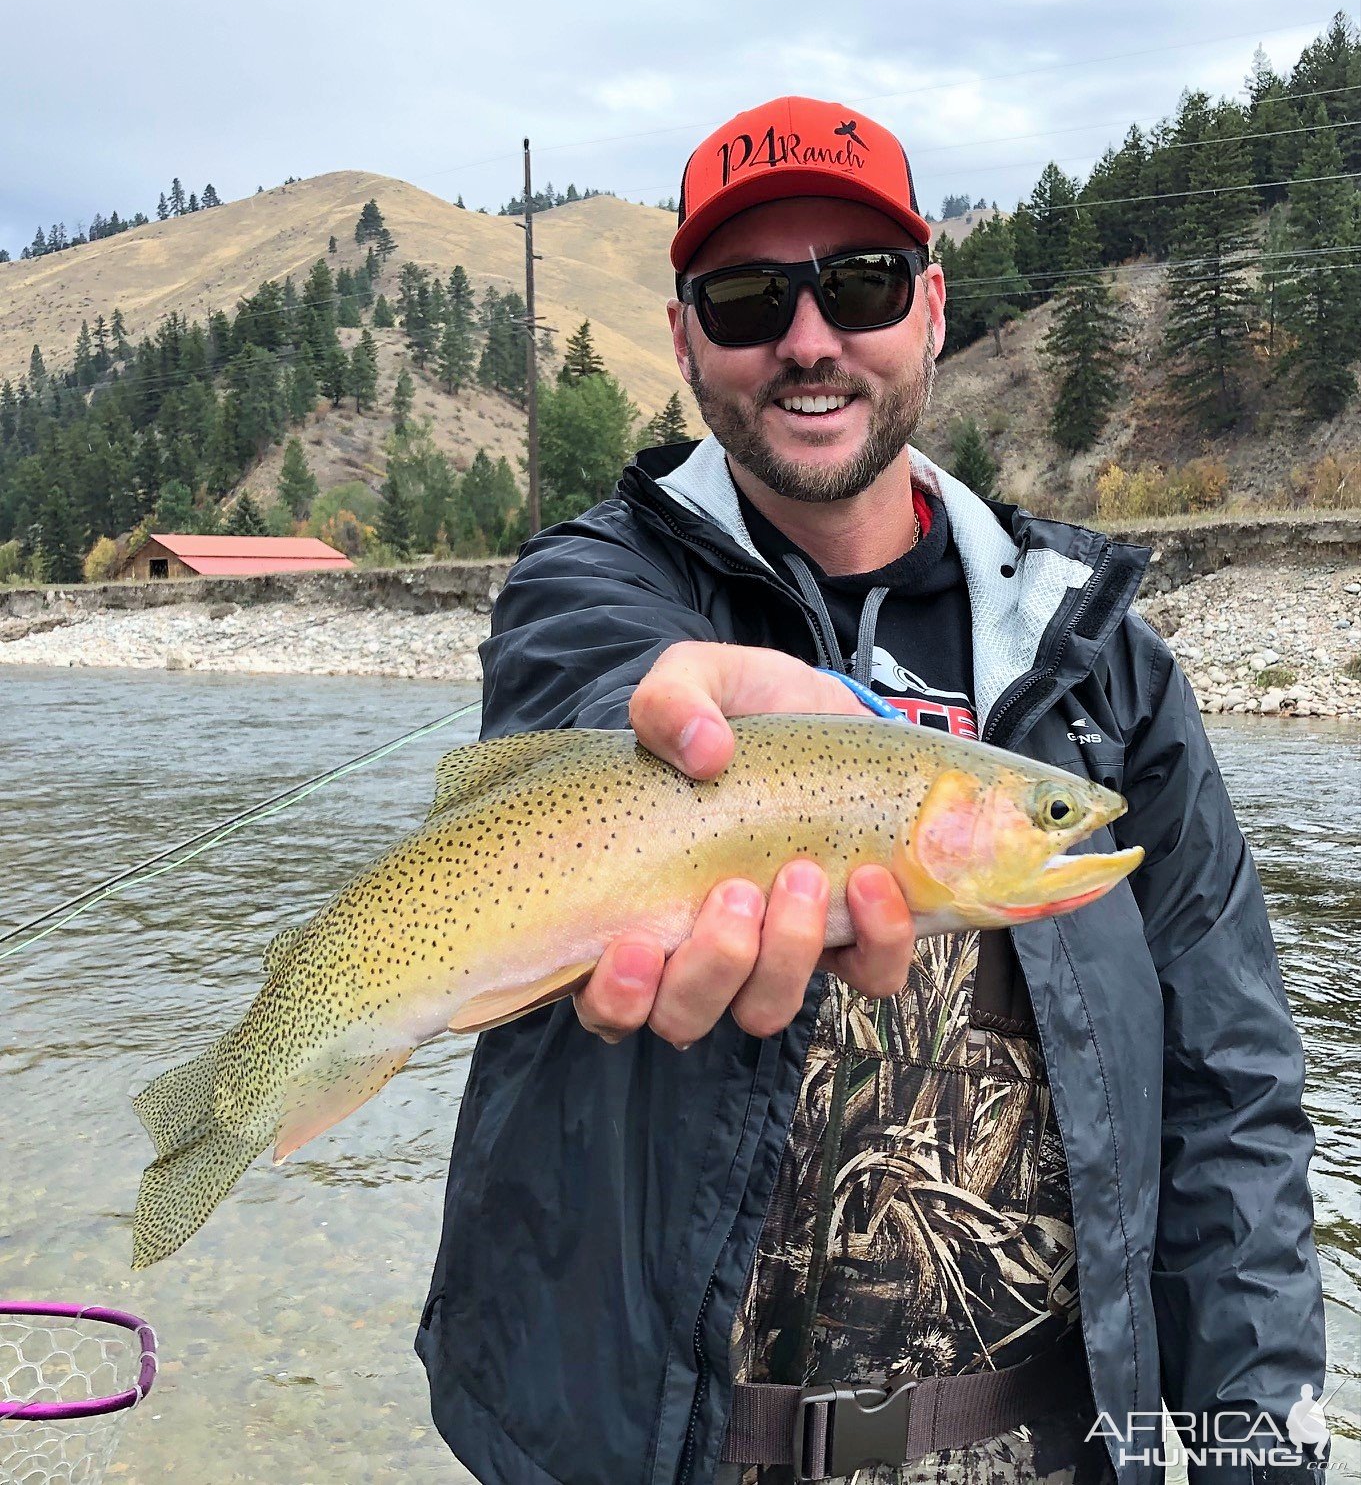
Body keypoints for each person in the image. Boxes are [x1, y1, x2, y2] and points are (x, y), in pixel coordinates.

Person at [416, 97, 1328, 1485]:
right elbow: (587, 682)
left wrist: (1258, 1448)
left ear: (932, 311)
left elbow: (1232, 1093)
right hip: (653, 1456)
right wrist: (664, 713)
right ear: (682, 340)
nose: (806, 339)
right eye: (743, 299)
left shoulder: (1104, 672)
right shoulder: (588, 585)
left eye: (858, 283)